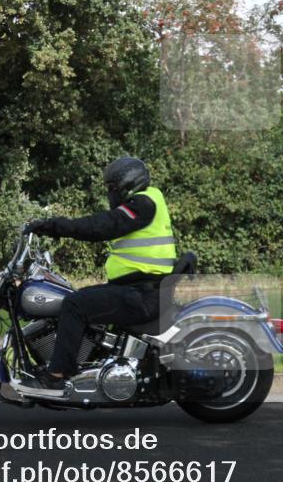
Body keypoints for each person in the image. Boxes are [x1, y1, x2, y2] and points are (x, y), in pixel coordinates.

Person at [21, 157, 177, 392]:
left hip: (143, 294)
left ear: (127, 183)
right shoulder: (147, 201)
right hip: (139, 289)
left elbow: (102, 225)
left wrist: (56, 226)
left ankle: (57, 375)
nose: (110, 193)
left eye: (112, 188)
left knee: (75, 304)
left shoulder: (144, 204)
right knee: (80, 298)